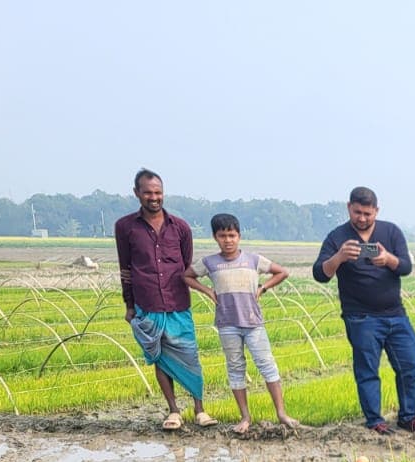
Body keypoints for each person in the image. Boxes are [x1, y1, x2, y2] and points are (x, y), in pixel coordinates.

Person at [313, 186, 415, 435]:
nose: (362, 218)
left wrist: (388, 260)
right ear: (349, 207)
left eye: (367, 214)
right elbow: (320, 274)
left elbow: (405, 266)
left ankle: (408, 416)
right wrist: (338, 257)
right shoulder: (337, 237)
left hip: (395, 314)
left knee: (409, 366)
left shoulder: (390, 231)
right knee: (367, 370)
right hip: (360, 317)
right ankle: (375, 420)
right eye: (357, 212)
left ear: (376, 211)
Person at [184, 213, 298, 435]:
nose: (228, 240)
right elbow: (187, 276)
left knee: (267, 365)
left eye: (232, 235)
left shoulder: (253, 259)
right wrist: (207, 291)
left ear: (239, 236)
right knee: (235, 368)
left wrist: (262, 288)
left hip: (253, 322)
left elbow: (282, 272)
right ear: (215, 237)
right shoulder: (210, 262)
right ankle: (245, 417)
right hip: (227, 323)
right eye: (223, 236)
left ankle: (282, 414)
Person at [114, 169, 208, 431]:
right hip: (147, 303)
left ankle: (199, 409)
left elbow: (186, 264)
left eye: (157, 192)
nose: (153, 197)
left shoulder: (180, 227)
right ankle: (174, 410)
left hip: (178, 302)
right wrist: (129, 305)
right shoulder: (125, 227)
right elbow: (126, 269)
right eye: (148, 192)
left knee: (189, 355)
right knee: (160, 357)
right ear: (137, 193)